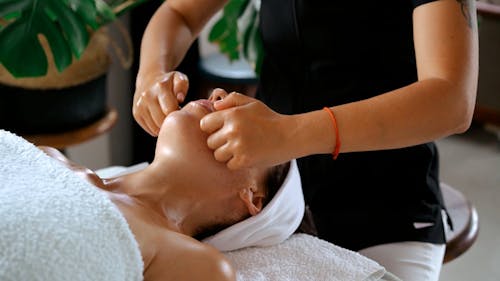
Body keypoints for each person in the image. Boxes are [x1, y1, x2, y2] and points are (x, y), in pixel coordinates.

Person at [132, 1, 478, 280]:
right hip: (270, 203)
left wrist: (287, 134)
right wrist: (151, 74)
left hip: (386, 205)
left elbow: (452, 101)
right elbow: (178, 13)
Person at [36, 91, 291, 281]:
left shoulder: (197, 267)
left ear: (253, 198)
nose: (220, 95)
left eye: (249, 131)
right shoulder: (48, 158)